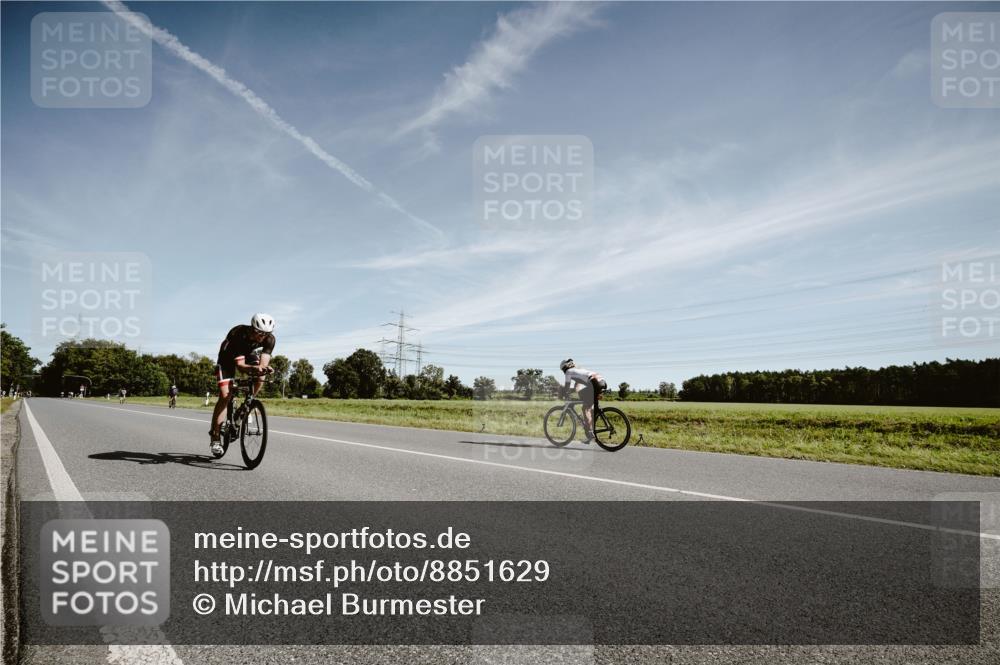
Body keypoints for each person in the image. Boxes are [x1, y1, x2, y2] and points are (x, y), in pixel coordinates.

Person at [209, 313, 276, 456]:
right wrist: (252, 368)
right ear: (252, 328)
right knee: (225, 395)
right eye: (259, 333)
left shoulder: (270, 339)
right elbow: (240, 366)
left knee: (261, 375)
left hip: (247, 353)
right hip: (227, 356)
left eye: (265, 334)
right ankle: (215, 436)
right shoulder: (239, 333)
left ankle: (245, 407)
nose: (261, 337)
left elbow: (262, 364)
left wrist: (262, 369)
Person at [560, 359, 607, 443]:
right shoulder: (579, 370)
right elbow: (577, 387)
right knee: (585, 401)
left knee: (585, 408)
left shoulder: (568, 372)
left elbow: (567, 387)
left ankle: (590, 433)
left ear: (565, 368)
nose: (564, 372)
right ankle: (592, 418)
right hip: (602, 382)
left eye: (563, 370)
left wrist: (565, 395)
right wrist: (573, 395)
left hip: (594, 383)